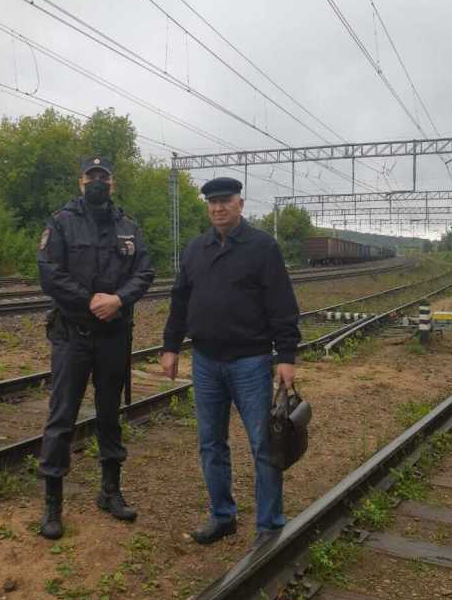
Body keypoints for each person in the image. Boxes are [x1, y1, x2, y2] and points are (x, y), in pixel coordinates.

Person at [160, 177, 301, 544]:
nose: (218, 207)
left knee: (264, 444)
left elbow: (282, 305)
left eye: (225, 201)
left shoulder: (262, 247)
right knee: (211, 444)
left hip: (250, 362)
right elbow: (180, 301)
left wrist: (286, 355)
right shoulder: (195, 250)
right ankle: (223, 516)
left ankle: (269, 525)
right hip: (206, 361)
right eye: (212, 202)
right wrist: (170, 346)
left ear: (240, 204)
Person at [36, 155, 154, 539]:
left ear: (112, 183)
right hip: (72, 335)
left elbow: (145, 272)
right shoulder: (61, 223)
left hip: (113, 336)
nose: (98, 182)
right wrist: (89, 301)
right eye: (92, 176)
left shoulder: (129, 227)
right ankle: (53, 504)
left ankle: (110, 491)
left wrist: (118, 300)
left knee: (109, 414)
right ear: (81, 181)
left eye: (104, 177)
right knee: (61, 418)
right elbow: (49, 273)